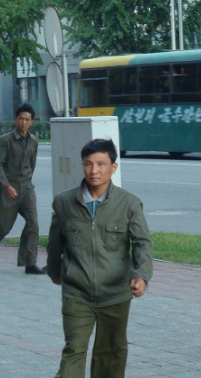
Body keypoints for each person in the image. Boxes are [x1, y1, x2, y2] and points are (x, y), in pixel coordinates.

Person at [47, 138, 153, 378]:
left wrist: (141, 276)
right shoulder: (64, 203)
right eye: (88, 164)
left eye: (101, 164)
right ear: (82, 165)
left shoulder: (129, 204)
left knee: (111, 356)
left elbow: (142, 244)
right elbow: (55, 243)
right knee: (73, 351)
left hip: (115, 294)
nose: (94, 170)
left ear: (113, 167)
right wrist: (54, 272)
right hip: (77, 292)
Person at [0, 103, 45, 274]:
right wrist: (6, 185)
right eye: (20, 119)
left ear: (32, 121)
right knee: (4, 227)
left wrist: (26, 183)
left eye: (27, 119)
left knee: (33, 224)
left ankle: (29, 263)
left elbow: (31, 165)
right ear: (16, 119)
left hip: (26, 189)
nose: (23, 122)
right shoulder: (5, 140)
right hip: (8, 189)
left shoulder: (33, 141)